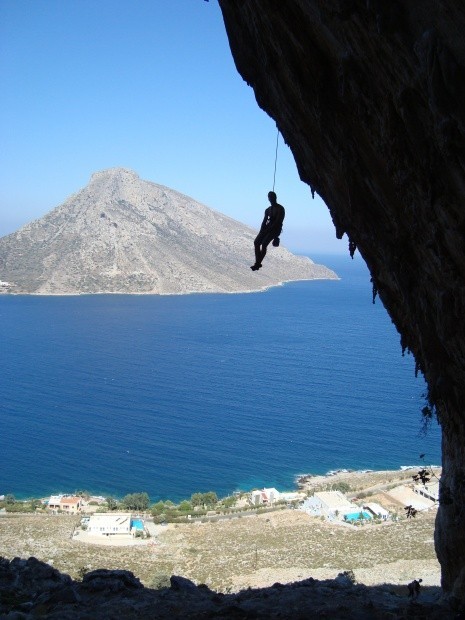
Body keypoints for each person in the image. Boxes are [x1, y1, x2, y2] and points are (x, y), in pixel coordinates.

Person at [251, 191, 285, 271]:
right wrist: (261, 231)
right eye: (269, 197)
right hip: (267, 228)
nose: (270, 199)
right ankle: (258, 262)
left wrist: (267, 230)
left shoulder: (280, 209)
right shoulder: (268, 210)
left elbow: (278, 222)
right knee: (256, 242)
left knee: (264, 244)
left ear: (275, 198)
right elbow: (264, 222)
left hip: (276, 229)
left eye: (271, 197)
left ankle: (257, 263)